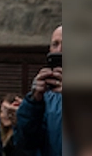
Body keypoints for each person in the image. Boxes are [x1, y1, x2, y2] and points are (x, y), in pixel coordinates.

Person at [16, 26, 62, 156]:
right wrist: (33, 103)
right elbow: (25, 144)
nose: (59, 50)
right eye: (55, 44)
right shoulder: (47, 97)